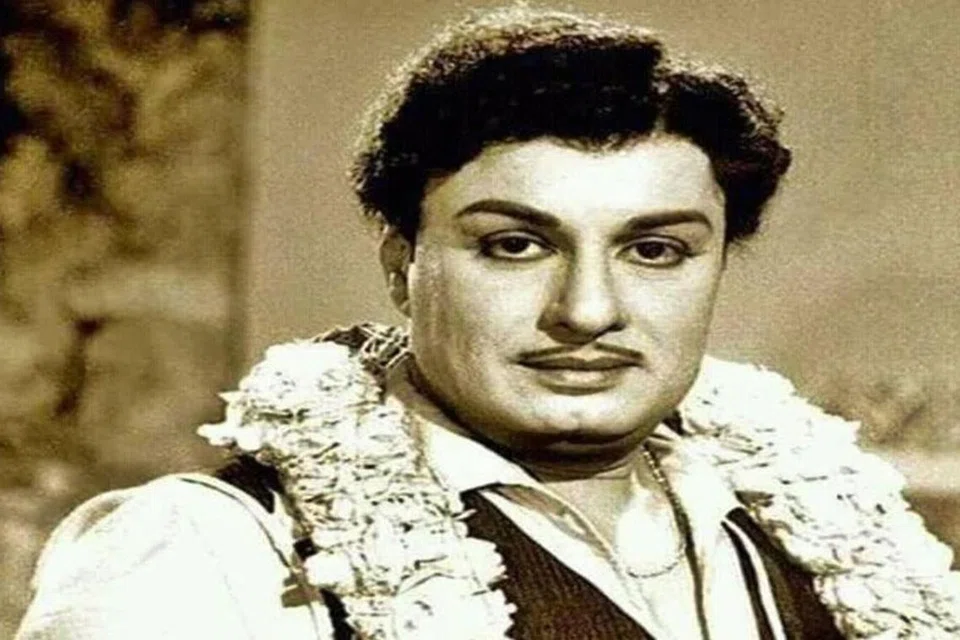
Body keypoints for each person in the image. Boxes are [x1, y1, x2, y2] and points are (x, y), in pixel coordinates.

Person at [16, 6, 960, 640]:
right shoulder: (212, 553)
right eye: (515, 245)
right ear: (402, 265)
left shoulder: (824, 535)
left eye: (654, 250)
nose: (587, 310)